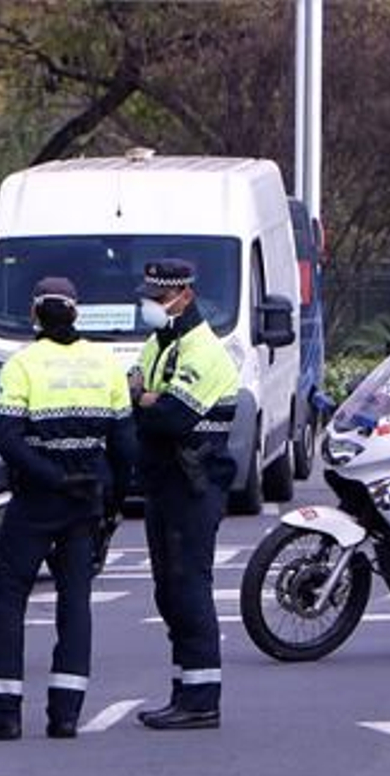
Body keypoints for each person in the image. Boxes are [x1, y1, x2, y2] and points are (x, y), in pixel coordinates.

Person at [0, 277, 134, 741]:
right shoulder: (105, 364)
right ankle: (66, 713)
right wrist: (110, 502)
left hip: (38, 498)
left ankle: (4, 711)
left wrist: (51, 477)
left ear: (35, 315)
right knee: (74, 602)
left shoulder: (22, 366)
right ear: (76, 313)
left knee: (9, 597)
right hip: (86, 502)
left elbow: (8, 438)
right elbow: (124, 444)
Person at [129, 259, 241, 730]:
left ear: (184, 296)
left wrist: (148, 401)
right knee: (168, 591)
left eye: (158, 299)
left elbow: (172, 417)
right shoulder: (160, 344)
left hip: (195, 486)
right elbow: (131, 390)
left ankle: (202, 700)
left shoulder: (203, 352)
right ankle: (184, 688)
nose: (151, 306)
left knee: (189, 588)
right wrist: (144, 398)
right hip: (164, 482)